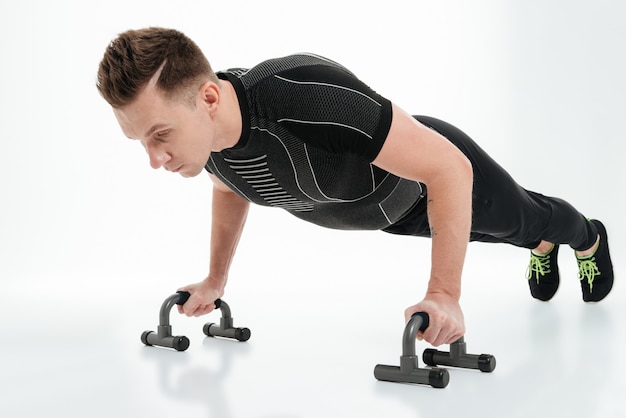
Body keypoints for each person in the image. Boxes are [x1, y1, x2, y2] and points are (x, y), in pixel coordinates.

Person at [96, 27, 614, 347]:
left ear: (208, 98)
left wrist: (443, 295)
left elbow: (449, 170)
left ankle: (585, 236)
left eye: (160, 135)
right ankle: (539, 247)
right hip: (387, 215)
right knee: (493, 236)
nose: (154, 160)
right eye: (140, 141)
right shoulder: (207, 144)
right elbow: (230, 187)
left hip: (431, 173)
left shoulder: (306, 96)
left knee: (525, 219)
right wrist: (215, 279)